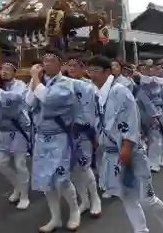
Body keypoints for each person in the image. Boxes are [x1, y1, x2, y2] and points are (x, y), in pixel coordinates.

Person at [87, 55, 163, 233]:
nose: (92, 75)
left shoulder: (119, 90)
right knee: (126, 196)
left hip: (131, 150)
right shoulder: (95, 92)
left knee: (147, 198)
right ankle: (141, 230)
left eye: (96, 71)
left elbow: (130, 119)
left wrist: (127, 147)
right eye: (90, 71)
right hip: (112, 153)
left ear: (107, 72)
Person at [25, 48, 81, 232]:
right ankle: (55, 218)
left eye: (51, 60)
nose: (46, 63)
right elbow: (29, 102)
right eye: (44, 60)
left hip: (59, 136)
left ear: (60, 64)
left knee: (61, 179)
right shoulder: (41, 82)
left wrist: (35, 79)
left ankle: (74, 211)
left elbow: (48, 99)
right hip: (41, 136)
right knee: (45, 180)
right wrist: (35, 81)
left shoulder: (66, 84)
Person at [0, 58, 31, 210]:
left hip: (18, 128)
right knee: (1, 163)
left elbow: (15, 98)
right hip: (3, 129)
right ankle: (17, 186)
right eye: (2, 69)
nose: (4, 71)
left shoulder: (20, 85)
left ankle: (24, 195)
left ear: (15, 72)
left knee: (20, 164)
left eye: (8, 69)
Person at [66, 55, 102, 217]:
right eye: (69, 65)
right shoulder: (63, 85)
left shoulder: (89, 86)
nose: (71, 68)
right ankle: (84, 200)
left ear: (83, 68)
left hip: (84, 131)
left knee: (84, 166)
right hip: (67, 133)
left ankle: (95, 199)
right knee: (73, 170)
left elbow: (92, 113)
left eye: (75, 65)